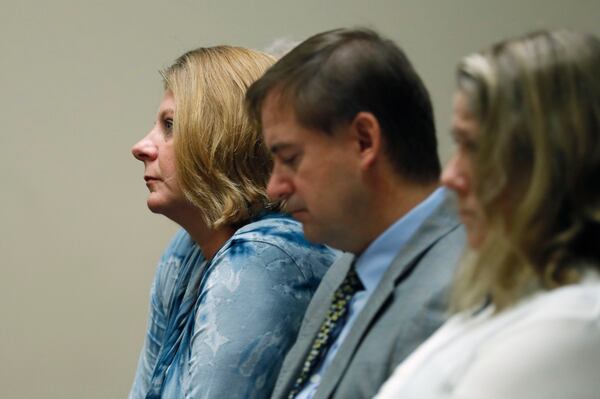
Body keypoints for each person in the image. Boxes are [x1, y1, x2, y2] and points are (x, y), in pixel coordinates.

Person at [376, 29, 600, 398]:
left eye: (475, 148)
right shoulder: (512, 297)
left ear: (553, 164)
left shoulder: (572, 325)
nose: (450, 176)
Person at [245, 28, 465, 399]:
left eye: (290, 159)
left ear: (364, 141)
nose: (274, 188)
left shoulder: (466, 285)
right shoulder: (347, 270)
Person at [129, 46, 338, 399]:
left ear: (224, 140)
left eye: (170, 125)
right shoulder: (188, 248)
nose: (141, 147)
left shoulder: (263, 255)